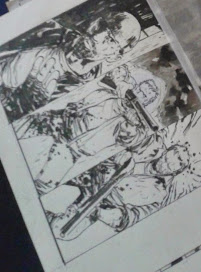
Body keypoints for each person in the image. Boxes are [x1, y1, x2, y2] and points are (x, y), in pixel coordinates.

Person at [16, 65, 164, 193]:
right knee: (20, 135)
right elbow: (83, 102)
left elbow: (129, 140)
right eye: (140, 90)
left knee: (45, 183)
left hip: (75, 151)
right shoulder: (109, 95)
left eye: (145, 96)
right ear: (134, 88)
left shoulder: (136, 126)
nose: (140, 95)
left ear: (146, 103)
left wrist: (130, 125)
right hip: (59, 124)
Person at [0, 11, 142, 120]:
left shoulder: (88, 90)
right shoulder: (49, 31)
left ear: (115, 56)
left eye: (110, 39)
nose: (97, 35)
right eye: (101, 25)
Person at [50, 144, 191, 239]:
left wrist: (107, 214)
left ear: (176, 172)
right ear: (166, 151)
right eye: (168, 158)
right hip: (91, 180)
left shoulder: (158, 194)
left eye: (177, 163)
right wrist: (118, 156)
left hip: (99, 206)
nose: (166, 164)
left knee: (61, 230)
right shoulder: (146, 150)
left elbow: (135, 216)